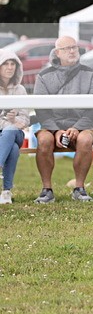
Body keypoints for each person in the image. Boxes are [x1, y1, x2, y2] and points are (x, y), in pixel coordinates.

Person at [33, 36, 93, 203]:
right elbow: (41, 109)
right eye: (67, 48)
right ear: (57, 53)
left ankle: (79, 189)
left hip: (81, 125)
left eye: (74, 47)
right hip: (52, 126)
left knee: (85, 139)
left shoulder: (92, 74)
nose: (72, 51)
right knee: (43, 140)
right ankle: (46, 190)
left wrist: (77, 128)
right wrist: (55, 130)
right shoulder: (43, 76)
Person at [0, 50, 29, 204]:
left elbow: (25, 120)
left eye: (13, 64)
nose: (10, 67)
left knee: (10, 131)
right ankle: (6, 192)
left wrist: (13, 120)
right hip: (4, 137)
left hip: (16, 132)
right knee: (13, 149)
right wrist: (7, 122)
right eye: (6, 64)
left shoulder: (20, 90)